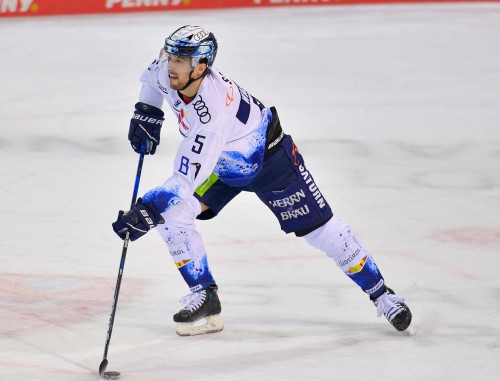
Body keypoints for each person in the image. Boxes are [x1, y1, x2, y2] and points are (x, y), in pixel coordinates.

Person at [112, 25, 412, 336]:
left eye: (180, 60)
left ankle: (383, 295)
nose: (170, 65)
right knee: (172, 213)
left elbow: (184, 181)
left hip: (270, 162)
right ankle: (205, 294)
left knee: (323, 231)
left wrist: (146, 209)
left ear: (201, 67)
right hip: (222, 166)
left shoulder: (212, 115)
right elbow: (151, 81)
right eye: (170, 56)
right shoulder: (166, 70)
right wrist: (146, 112)